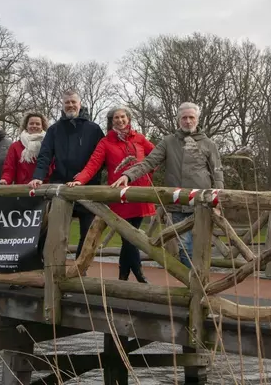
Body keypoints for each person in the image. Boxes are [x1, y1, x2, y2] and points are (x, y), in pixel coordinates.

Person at [112, 102, 224, 268]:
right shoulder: (169, 142)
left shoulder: (208, 144)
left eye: (191, 117)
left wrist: (218, 202)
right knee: (184, 247)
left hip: (202, 204)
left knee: (201, 246)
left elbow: (217, 173)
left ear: (197, 119)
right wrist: (128, 175)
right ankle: (194, 283)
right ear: (179, 120)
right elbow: (149, 162)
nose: (187, 121)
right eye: (184, 118)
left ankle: (197, 285)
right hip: (179, 204)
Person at [67, 106, 155, 282]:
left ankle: (123, 276)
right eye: (116, 118)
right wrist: (80, 180)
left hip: (139, 194)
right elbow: (93, 164)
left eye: (123, 117)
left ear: (128, 119)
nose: (120, 120)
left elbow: (156, 155)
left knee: (131, 237)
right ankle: (138, 275)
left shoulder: (139, 138)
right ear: (111, 121)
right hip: (120, 196)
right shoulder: (106, 142)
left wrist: (148, 173)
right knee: (129, 237)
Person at [29, 89, 104, 258]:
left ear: (80, 104)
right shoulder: (55, 130)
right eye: (67, 103)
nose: (70, 105)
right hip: (61, 187)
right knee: (53, 231)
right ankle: (48, 265)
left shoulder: (94, 129)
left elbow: (102, 157)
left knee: (87, 233)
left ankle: (79, 269)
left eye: (73, 102)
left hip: (88, 188)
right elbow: (45, 155)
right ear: (63, 105)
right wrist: (38, 176)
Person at [0, 112, 52, 185]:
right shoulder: (15, 146)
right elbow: (9, 167)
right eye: (31, 123)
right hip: (22, 188)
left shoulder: (49, 144)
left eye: (37, 124)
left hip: (44, 187)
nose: (34, 126)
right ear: (26, 126)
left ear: (42, 126)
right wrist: (5, 179)